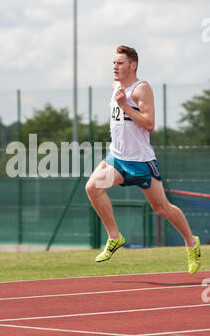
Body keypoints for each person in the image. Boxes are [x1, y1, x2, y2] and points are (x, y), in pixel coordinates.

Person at [85, 45, 201, 274]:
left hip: (140, 162)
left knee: (162, 208)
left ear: (133, 65)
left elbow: (149, 124)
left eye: (120, 63)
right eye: (113, 63)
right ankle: (114, 237)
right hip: (117, 158)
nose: (115, 67)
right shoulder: (115, 86)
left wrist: (124, 105)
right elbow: (118, 120)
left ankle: (191, 243)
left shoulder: (142, 89)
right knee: (92, 187)